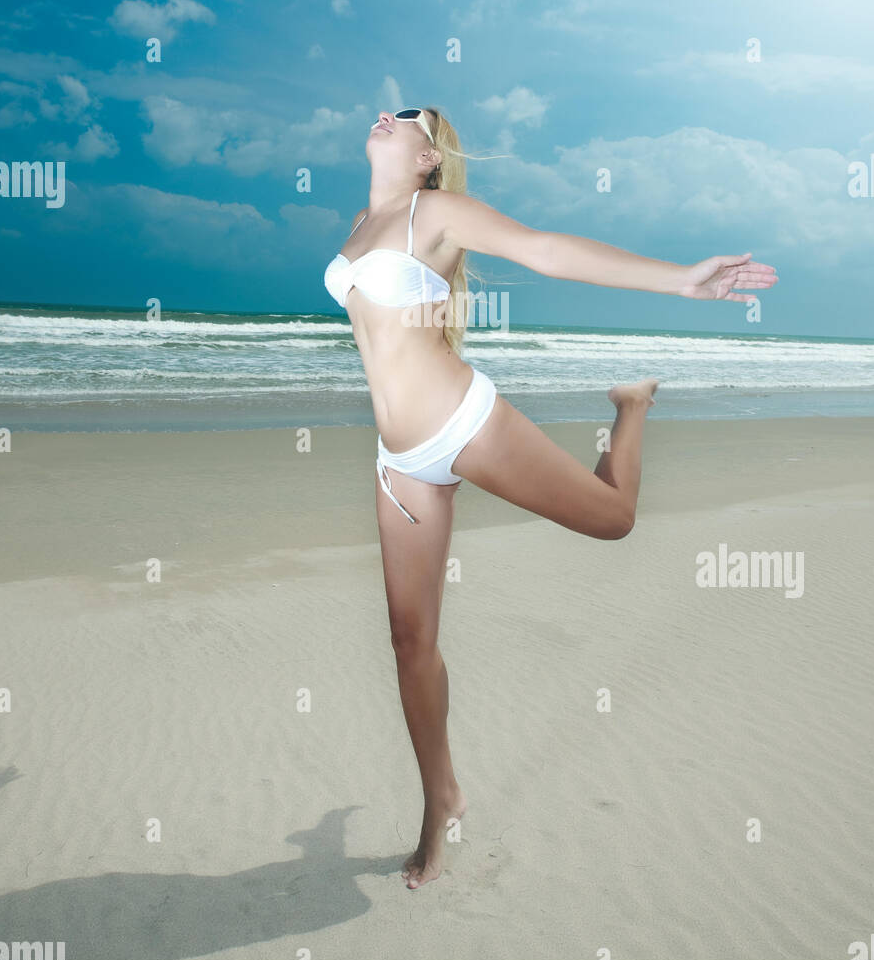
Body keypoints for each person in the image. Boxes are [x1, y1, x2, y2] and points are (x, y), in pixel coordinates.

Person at [324, 106, 777, 887]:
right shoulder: (366, 221)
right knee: (409, 644)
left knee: (615, 521)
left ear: (430, 157)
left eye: (405, 117)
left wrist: (679, 279)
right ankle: (442, 802)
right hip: (399, 460)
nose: (385, 116)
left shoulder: (437, 211)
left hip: (461, 422)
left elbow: (544, 251)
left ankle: (631, 409)